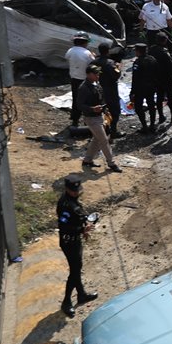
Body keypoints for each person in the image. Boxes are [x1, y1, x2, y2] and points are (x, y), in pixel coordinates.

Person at [57, 173, 99, 318]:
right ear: (67, 189)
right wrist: (82, 230)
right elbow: (64, 226)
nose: (77, 192)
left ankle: (81, 294)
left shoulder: (73, 200)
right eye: (74, 190)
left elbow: (79, 215)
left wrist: (85, 225)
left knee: (77, 267)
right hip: (69, 241)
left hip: (75, 240)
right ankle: (66, 302)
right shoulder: (65, 205)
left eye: (78, 190)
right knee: (74, 271)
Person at [77, 63, 118, 171]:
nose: (98, 76)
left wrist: (104, 110)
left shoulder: (96, 84)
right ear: (89, 74)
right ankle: (111, 163)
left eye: (98, 74)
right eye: (95, 74)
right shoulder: (83, 88)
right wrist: (92, 109)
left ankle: (87, 160)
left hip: (99, 116)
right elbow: (79, 105)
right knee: (104, 140)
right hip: (91, 118)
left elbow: (101, 98)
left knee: (96, 140)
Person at [149, 32, 172, 124]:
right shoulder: (164, 52)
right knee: (171, 97)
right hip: (166, 78)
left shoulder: (151, 50)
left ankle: (161, 116)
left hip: (156, 78)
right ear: (165, 40)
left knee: (159, 96)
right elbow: (171, 66)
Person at [130, 43, 160, 133]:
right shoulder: (152, 59)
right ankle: (152, 125)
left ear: (138, 51)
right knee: (151, 105)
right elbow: (157, 73)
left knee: (138, 107)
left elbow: (135, 78)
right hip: (151, 87)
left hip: (140, 88)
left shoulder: (137, 63)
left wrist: (132, 91)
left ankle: (144, 126)